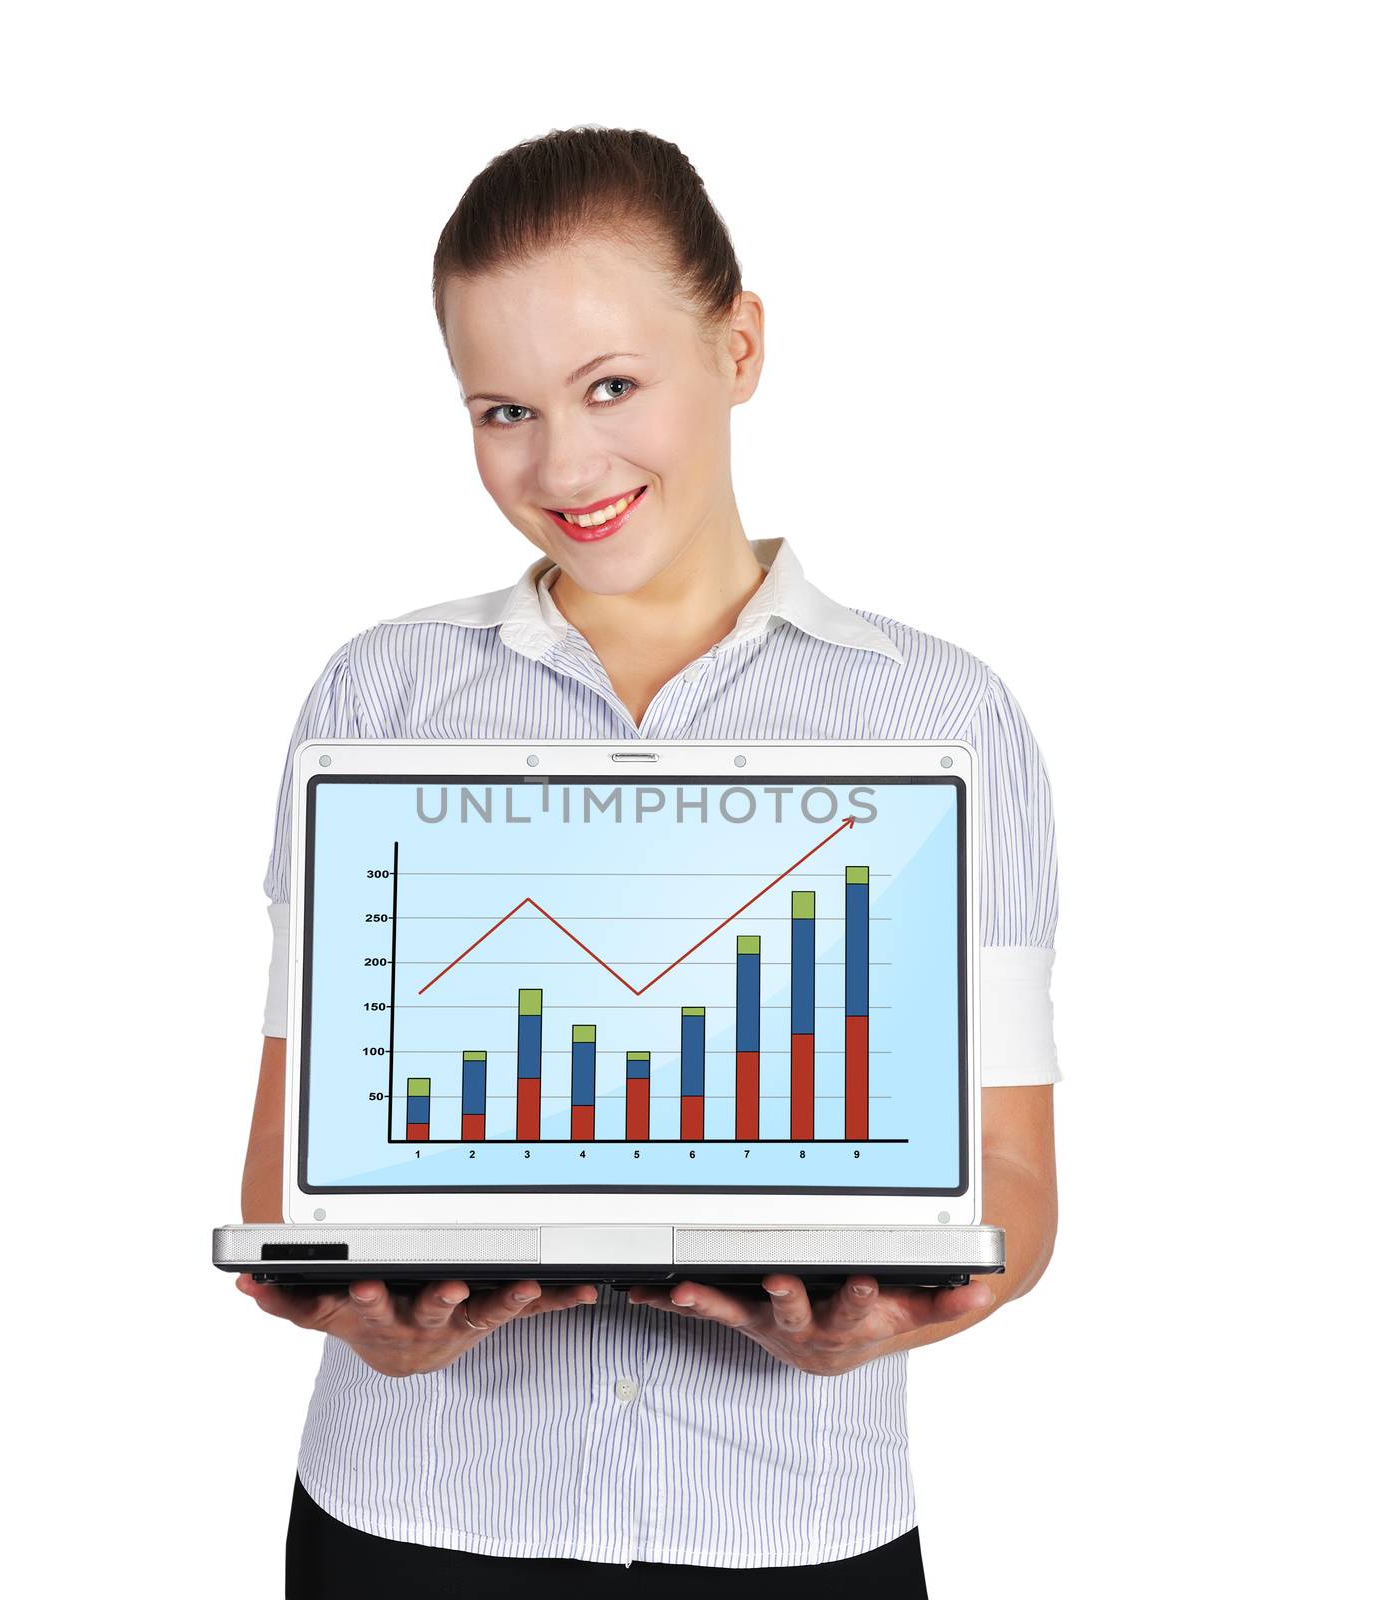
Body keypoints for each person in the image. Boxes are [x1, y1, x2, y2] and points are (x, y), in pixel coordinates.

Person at [236, 126, 1061, 1597]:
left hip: (790, 1530)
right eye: (502, 410)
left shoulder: (946, 717)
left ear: (739, 344)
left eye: (612, 386)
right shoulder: (381, 699)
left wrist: (895, 1314)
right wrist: (362, 1313)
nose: (562, 464)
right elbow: (291, 1157)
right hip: (417, 1523)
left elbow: (1012, 1176)